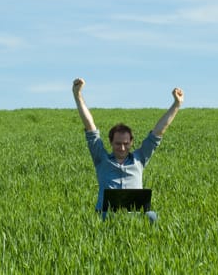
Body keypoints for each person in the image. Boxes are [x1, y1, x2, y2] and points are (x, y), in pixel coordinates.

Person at [72, 78, 184, 223]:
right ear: (111, 142)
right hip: (107, 213)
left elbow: (158, 132)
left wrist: (177, 104)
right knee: (105, 217)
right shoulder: (101, 159)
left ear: (131, 142)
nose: (122, 147)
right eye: (118, 143)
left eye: (126, 143)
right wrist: (77, 95)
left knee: (152, 216)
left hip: (135, 214)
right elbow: (90, 126)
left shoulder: (139, 158)